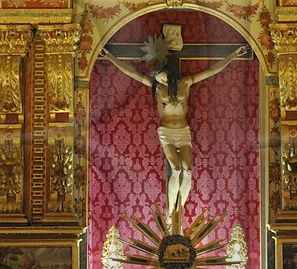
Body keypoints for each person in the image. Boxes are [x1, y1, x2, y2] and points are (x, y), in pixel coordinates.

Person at [102, 27, 249, 226]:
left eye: (161, 75)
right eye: (157, 77)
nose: (158, 79)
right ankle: (171, 212)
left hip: (183, 131)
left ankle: (180, 208)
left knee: (188, 171)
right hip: (166, 132)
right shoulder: (158, 87)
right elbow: (132, 73)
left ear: (168, 72)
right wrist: (111, 58)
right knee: (177, 169)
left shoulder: (185, 83)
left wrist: (232, 56)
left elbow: (212, 71)